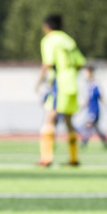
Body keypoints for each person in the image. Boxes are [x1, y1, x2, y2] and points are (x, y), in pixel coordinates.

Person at [36, 13, 85, 167]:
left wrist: (38, 82)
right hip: (72, 83)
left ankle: (46, 158)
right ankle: (74, 158)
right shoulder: (69, 40)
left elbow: (48, 63)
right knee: (69, 121)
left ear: (46, 27)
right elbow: (80, 62)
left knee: (49, 119)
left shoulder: (49, 40)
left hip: (60, 84)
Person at [78, 66, 107, 149]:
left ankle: (84, 142)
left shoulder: (95, 84)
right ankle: (105, 142)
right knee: (96, 127)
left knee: (88, 125)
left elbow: (99, 96)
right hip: (90, 109)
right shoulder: (87, 84)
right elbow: (87, 99)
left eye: (88, 72)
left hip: (94, 110)